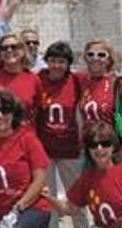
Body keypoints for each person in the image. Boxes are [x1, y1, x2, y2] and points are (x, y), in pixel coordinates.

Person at [47, 122, 122, 228]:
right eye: (93, 145)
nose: (99, 148)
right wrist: (48, 197)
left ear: (113, 146)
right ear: (88, 150)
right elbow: (69, 208)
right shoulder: (87, 179)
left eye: (105, 143)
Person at [0, 89, 50, 228]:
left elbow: (40, 180)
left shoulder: (27, 139)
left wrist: (18, 209)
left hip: (29, 208)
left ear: (14, 114)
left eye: (5, 110)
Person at [35, 42, 88, 228]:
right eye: (53, 61)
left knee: (76, 199)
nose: (56, 66)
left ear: (68, 64)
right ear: (46, 61)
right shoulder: (38, 80)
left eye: (61, 61)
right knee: (48, 199)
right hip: (44, 150)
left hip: (71, 149)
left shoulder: (76, 81)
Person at [79, 40, 122, 163]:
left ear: (109, 59)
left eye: (101, 55)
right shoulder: (82, 83)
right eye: (90, 54)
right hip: (91, 149)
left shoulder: (119, 84)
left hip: (114, 150)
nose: (95, 58)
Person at [0, 34, 43, 126]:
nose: (9, 50)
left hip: (25, 135)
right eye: (4, 48)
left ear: (23, 51)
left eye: (14, 47)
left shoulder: (33, 79)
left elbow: (38, 111)